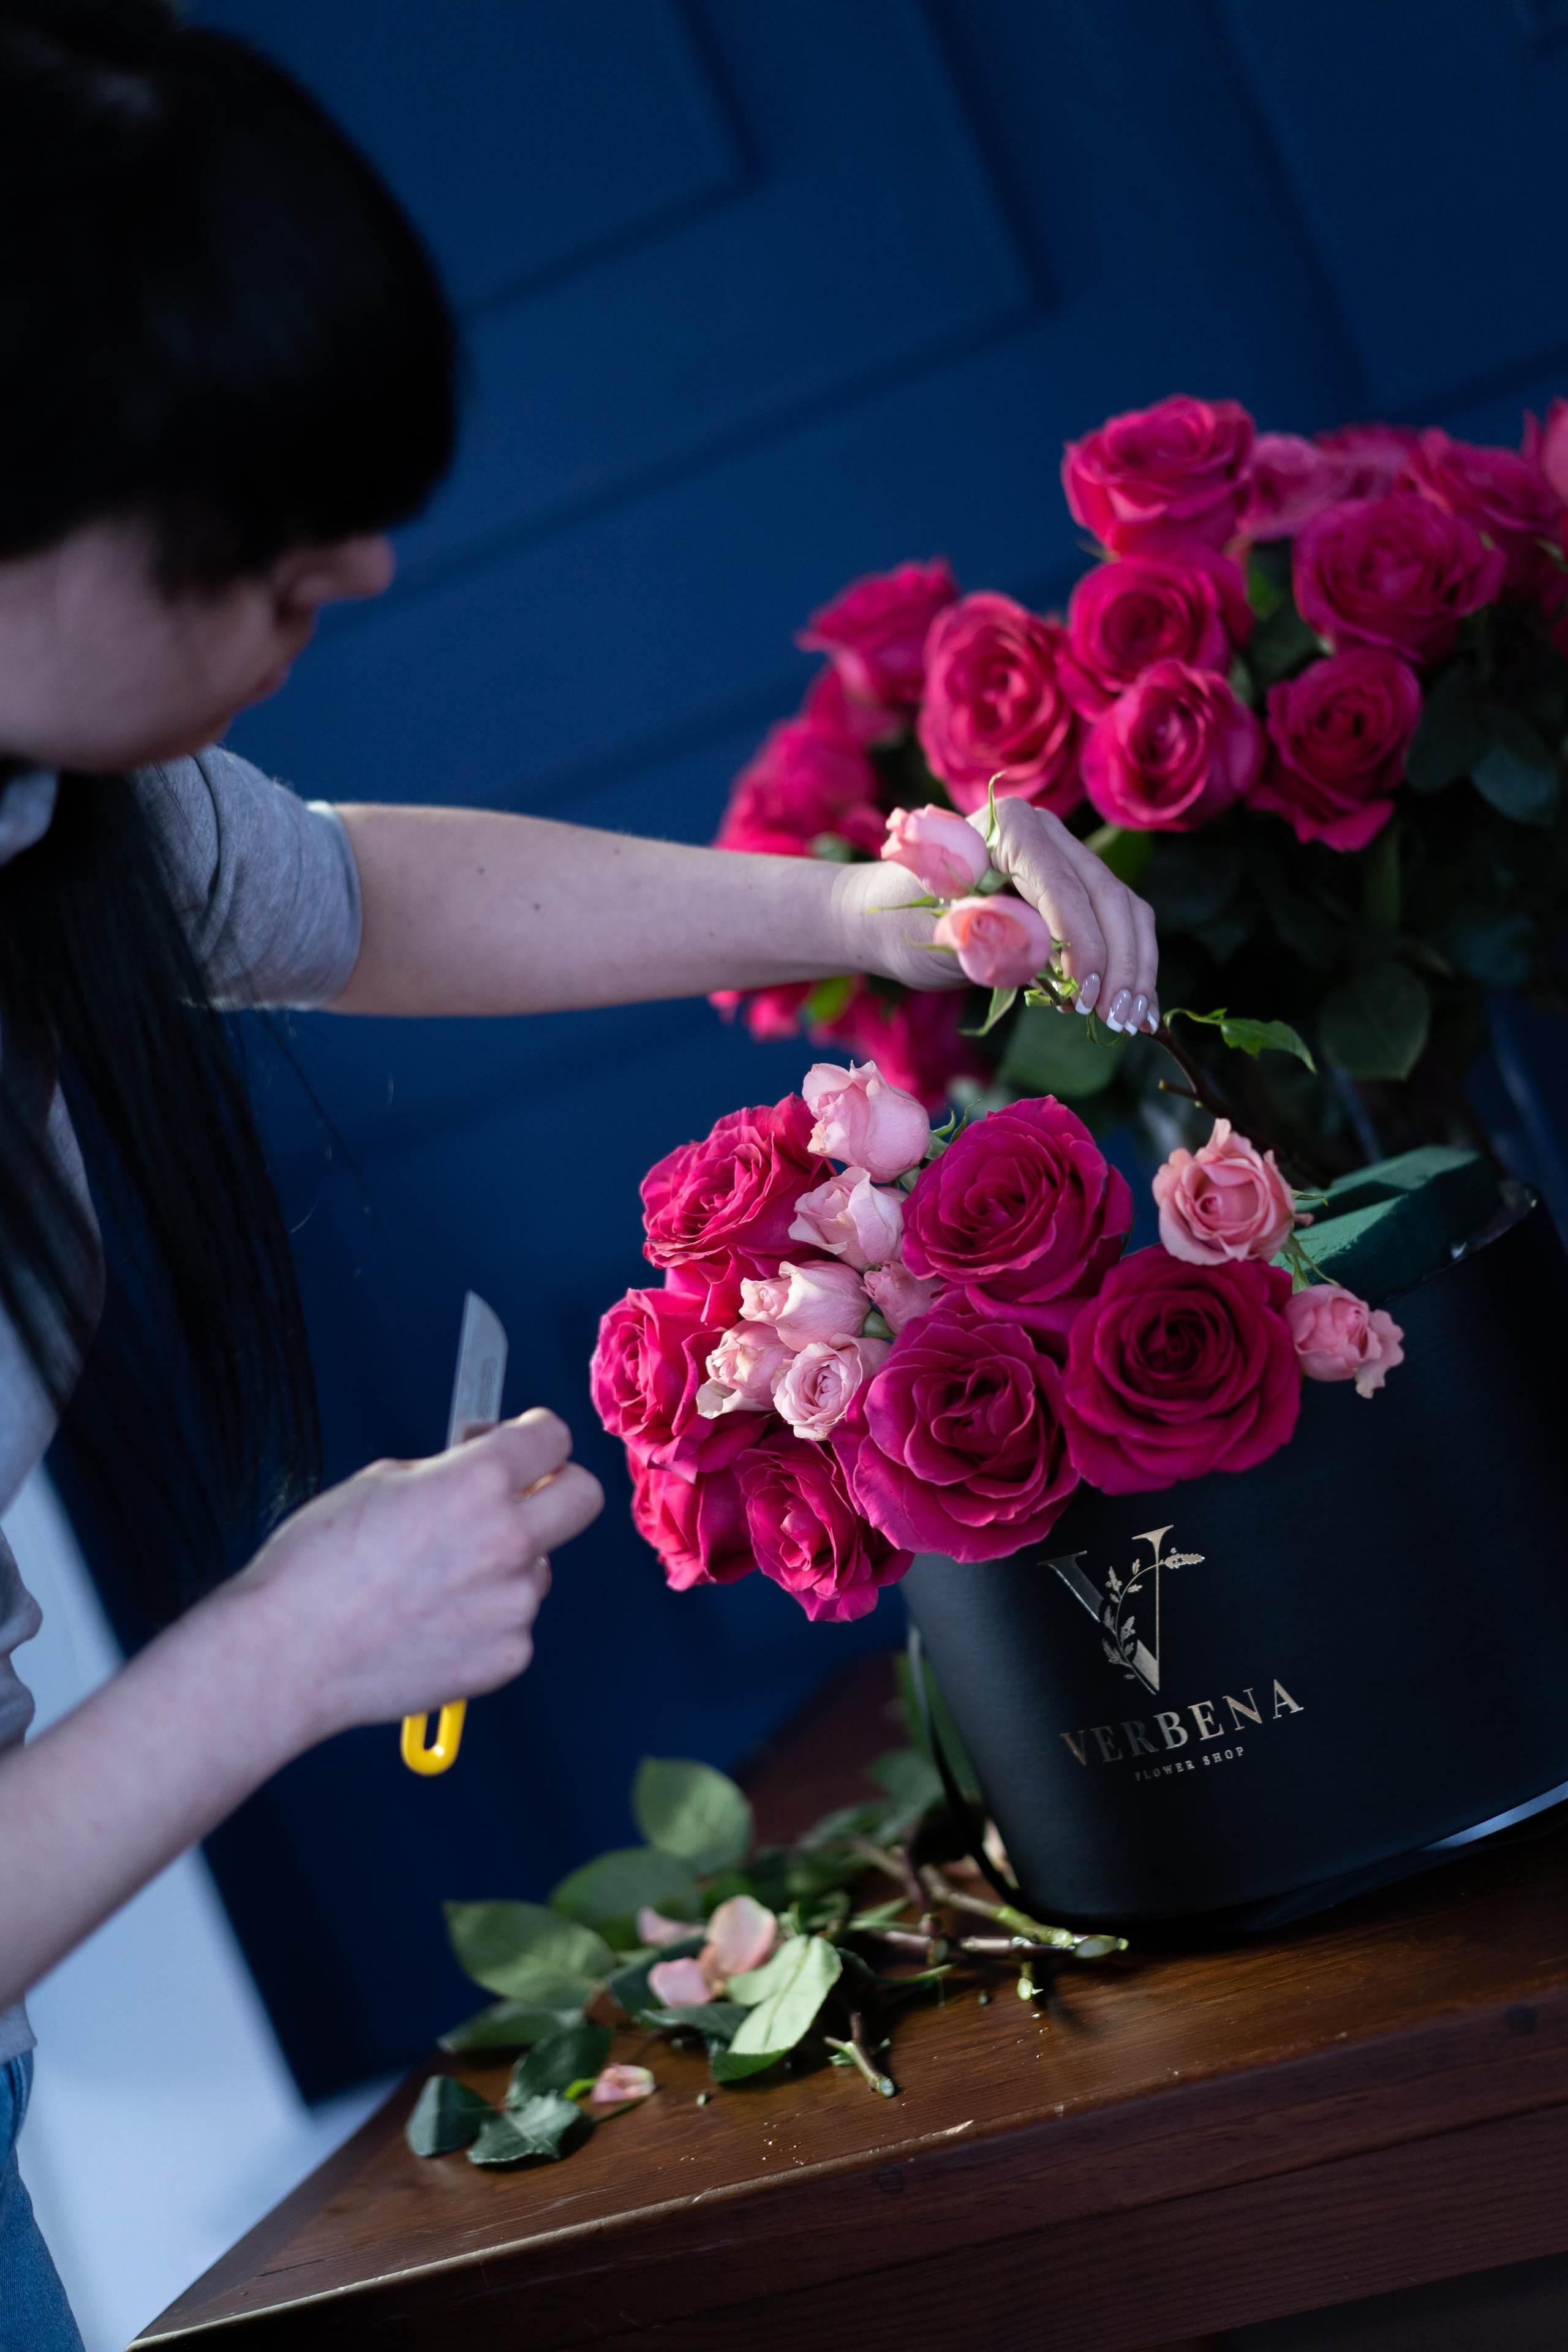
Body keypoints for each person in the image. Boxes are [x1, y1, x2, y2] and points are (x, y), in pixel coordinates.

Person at [0, 2, 1159, 2335]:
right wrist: (289, 1651)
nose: (370, 573)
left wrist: (858, 906)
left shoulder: (52, 800)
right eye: (267, 542)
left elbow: (335, 894)